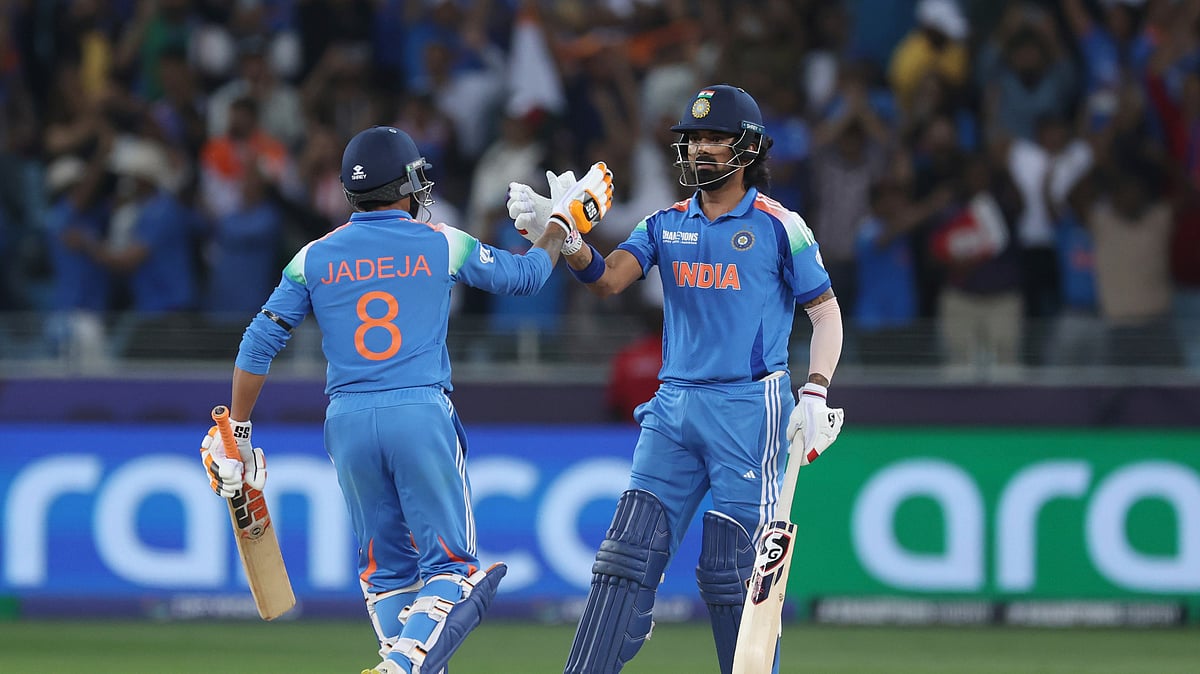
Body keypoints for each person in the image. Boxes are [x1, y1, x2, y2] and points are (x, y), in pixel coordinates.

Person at [196, 125, 612, 674]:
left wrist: (240, 434)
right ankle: (405, 666)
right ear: (407, 183)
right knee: (454, 571)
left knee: (387, 575)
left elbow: (259, 341)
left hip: (346, 422)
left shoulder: (313, 257)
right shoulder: (441, 241)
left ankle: (404, 662)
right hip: (417, 412)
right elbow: (528, 277)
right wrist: (564, 224)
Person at [508, 84, 846, 674]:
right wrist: (565, 238)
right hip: (673, 406)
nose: (701, 150)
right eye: (693, 140)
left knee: (733, 572)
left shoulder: (779, 226)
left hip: (749, 407)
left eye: (715, 139)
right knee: (623, 558)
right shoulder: (665, 223)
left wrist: (815, 387)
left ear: (747, 148)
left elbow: (825, 312)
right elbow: (610, 279)